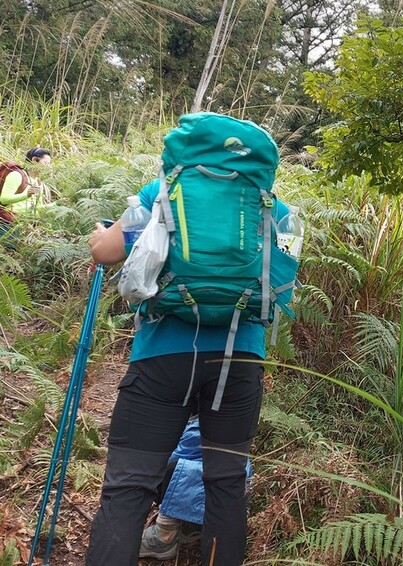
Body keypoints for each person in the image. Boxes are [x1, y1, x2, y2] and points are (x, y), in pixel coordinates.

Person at [85, 174, 285, 565]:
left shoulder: (162, 193)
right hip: (239, 359)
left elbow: (106, 253)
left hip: (162, 357)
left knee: (128, 487)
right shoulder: (266, 203)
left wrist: (101, 234)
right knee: (227, 487)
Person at [138, 418, 252, 561]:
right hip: (230, 486)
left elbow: (176, 454)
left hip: (221, 486)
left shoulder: (203, 423)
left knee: (170, 470)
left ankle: (164, 535)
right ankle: (189, 527)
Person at [0, 147, 53, 229]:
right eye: (46, 163)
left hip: (26, 226)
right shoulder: (16, 175)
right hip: (8, 224)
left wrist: (57, 204)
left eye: (50, 164)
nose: (48, 167)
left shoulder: (39, 183)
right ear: (34, 160)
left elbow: (37, 209)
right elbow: (3, 199)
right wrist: (26, 195)